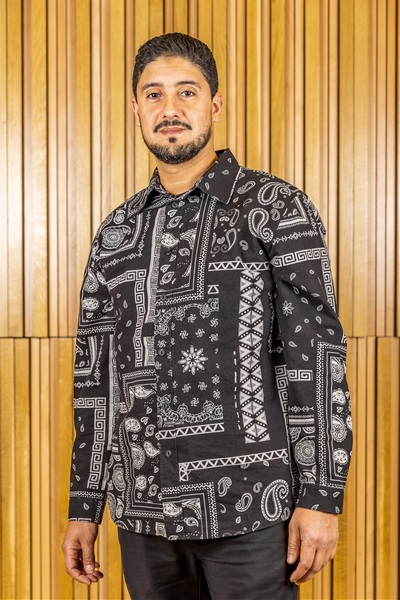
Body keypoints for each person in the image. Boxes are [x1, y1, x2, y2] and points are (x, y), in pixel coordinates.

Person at [62, 32, 352, 600]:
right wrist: (84, 504)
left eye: (186, 92)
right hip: (143, 513)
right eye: (154, 95)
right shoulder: (116, 234)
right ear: (136, 108)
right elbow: (96, 380)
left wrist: (321, 496)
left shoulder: (274, 208)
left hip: (253, 510)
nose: (169, 108)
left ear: (214, 105)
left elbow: (316, 357)